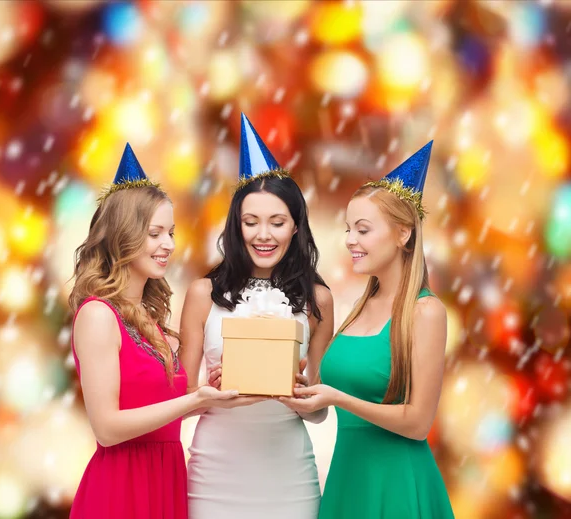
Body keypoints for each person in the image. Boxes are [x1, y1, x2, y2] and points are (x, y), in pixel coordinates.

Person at [282, 141, 455, 518]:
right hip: (349, 478)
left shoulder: (425, 312)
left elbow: (418, 423)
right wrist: (297, 388)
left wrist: (337, 398)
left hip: (396, 484)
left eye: (363, 230)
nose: (350, 241)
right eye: (348, 229)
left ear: (403, 234)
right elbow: (329, 391)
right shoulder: (358, 309)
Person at [68, 143, 238, 519]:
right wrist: (194, 401)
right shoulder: (98, 315)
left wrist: (209, 396)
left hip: (165, 480)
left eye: (171, 233)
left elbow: (160, 416)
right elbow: (107, 429)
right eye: (155, 233)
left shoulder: (150, 322)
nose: (169, 245)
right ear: (121, 236)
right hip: (120, 490)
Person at [179, 114, 334, 519]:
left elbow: (320, 411)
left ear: (296, 228)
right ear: (236, 226)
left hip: (289, 476)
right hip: (215, 474)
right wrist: (206, 394)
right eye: (251, 222)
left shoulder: (318, 300)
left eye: (277, 222)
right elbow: (177, 399)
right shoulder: (202, 294)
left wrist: (301, 395)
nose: (263, 235)